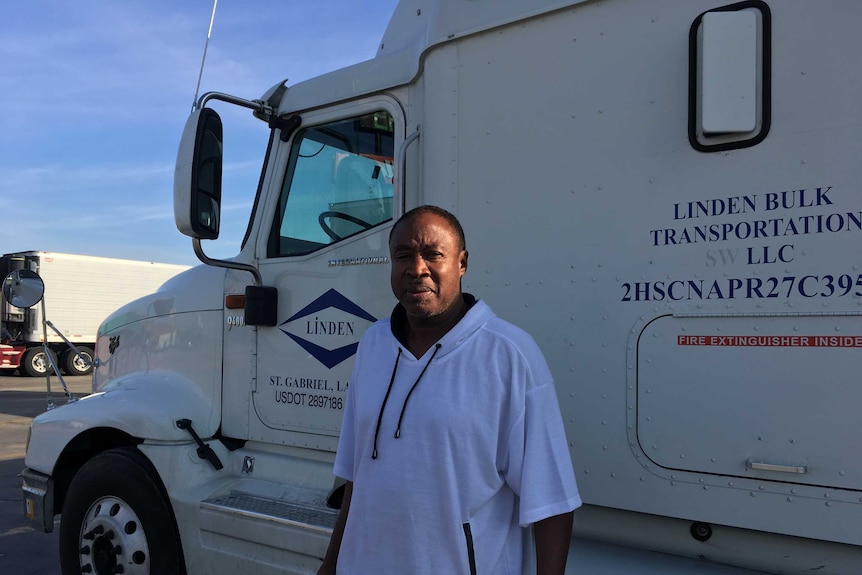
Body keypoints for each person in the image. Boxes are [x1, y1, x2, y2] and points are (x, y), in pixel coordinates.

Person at [318, 205, 581, 575]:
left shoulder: (509, 355)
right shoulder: (373, 345)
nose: (416, 268)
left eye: (433, 255)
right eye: (403, 256)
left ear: (462, 263)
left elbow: (552, 503)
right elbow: (357, 478)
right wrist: (330, 567)